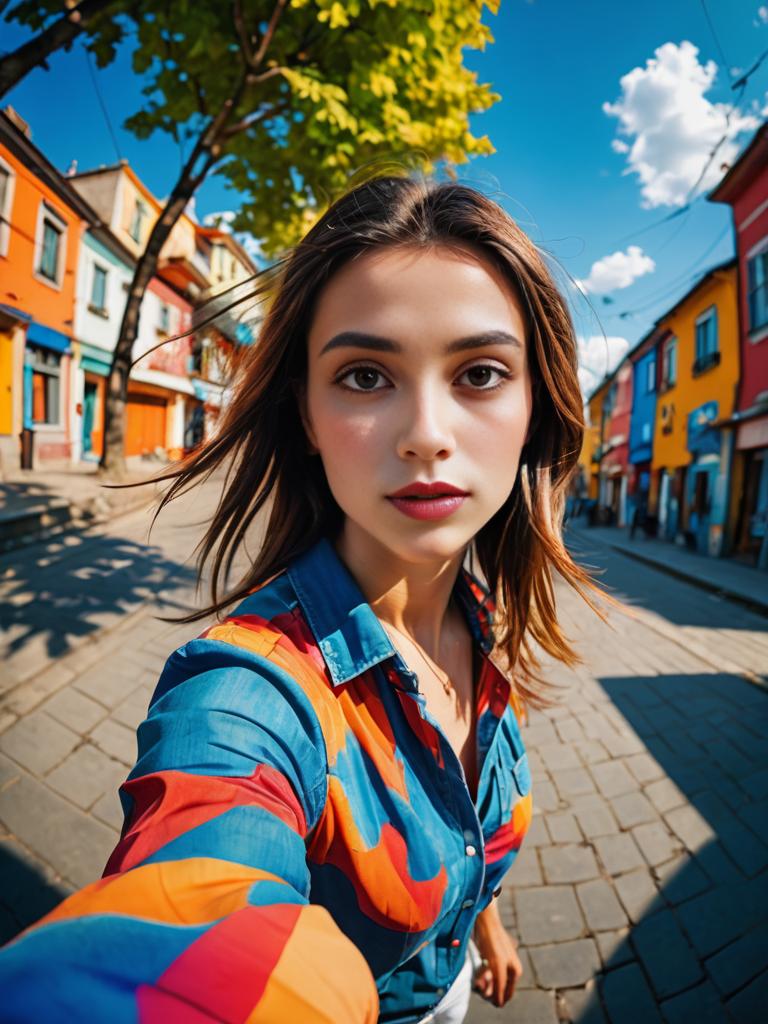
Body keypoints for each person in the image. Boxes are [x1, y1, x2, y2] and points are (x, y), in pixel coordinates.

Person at [0, 176, 598, 1023]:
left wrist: (484, 928)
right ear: (308, 416)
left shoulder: (481, 614)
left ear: (535, 407)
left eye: (480, 372)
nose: (426, 431)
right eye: (364, 375)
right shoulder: (249, 693)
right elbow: (194, 908)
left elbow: (462, 820)